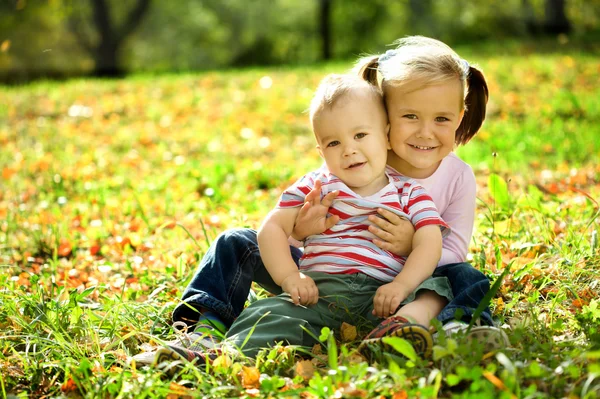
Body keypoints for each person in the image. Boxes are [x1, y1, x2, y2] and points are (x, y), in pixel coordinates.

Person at [134, 35, 508, 366]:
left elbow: (453, 249)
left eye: (441, 118)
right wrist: (299, 231)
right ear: (386, 118)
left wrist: (412, 244)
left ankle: (451, 329)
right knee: (236, 242)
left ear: (459, 117)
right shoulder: (353, 154)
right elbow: (308, 233)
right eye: (410, 116)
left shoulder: (451, 177)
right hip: (326, 274)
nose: (425, 132)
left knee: (465, 277)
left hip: (405, 280)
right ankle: (204, 328)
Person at [220, 73, 452, 359]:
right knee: (265, 316)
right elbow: (272, 228)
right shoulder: (315, 185)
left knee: (441, 285)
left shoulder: (409, 192)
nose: (349, 150)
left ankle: (394, 337)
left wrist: (401, 285)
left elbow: (430, 243)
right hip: (321, 293)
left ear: (387, 136)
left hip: (384, 298)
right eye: (333, 143)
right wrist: (290, 276)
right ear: (320, 150)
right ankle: (222, 355)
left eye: (360, 135)